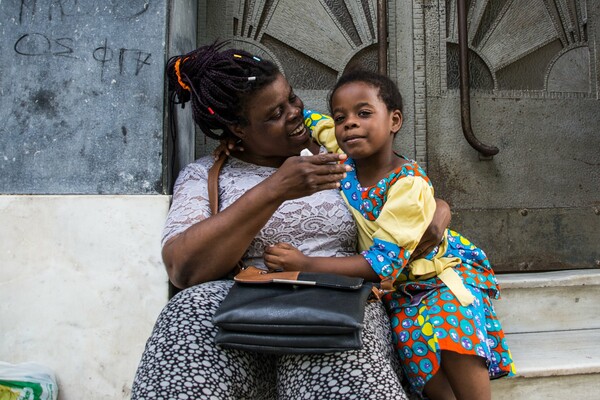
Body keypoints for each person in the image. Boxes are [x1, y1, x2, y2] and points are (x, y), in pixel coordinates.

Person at [131, 41, 451, 399]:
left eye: (292, 98)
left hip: (336, 301)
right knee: (184, 326)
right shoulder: (206, 175)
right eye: (274, 114)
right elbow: (182, 269)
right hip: (237, 310)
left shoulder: (340, 151)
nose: (295, 113)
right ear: (238, 129)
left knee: (342, 370)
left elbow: (401, 185)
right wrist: (274, 189)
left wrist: (438, 207)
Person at [263, 69, 516, 400]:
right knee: (418, 358)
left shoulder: (407, 184)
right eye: (342, 118)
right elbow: (309, 121)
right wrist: (237, 132)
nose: (349, 123)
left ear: (394, 120)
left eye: (364, 113)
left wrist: (305, 263)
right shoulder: (343, 159)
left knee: (450, 330)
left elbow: (382, 263)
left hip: (434, 278)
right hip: (398, 292)